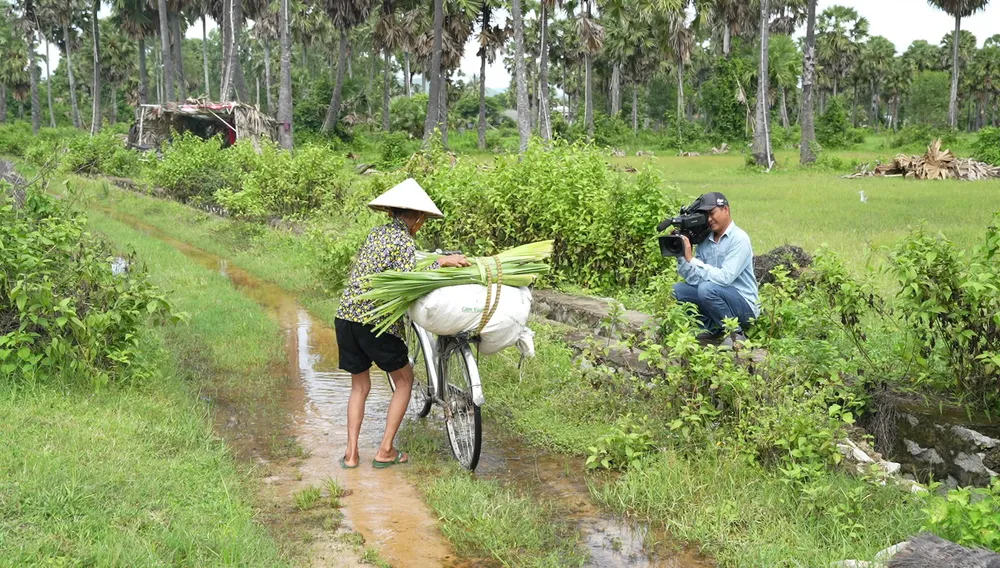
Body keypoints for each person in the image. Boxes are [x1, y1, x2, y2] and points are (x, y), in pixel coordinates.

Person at [335, 178, 469, 469]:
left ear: (391, 213)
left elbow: (394, 267)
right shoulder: (403, 240)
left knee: (359, 386)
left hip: (345, 317)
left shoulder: (377, 233)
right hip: (373, 322)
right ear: (418, 218)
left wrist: (433, 261)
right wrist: (443, 263)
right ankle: (385, 451)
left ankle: (351, 454)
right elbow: (410, 278)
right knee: (405, 380)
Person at [672, 192, 759, 349]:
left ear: (725, 209)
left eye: (712, 213)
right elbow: (694, 280)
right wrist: (682, 255)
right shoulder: (705, 241)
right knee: (678, 290)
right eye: (706, 215)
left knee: (707, 288)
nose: (709, 219)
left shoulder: (739, 239)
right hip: (716, 296)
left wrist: (693, 260)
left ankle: (736, 334)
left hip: (744, 306)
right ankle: (715, 331)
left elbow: (725, 278)